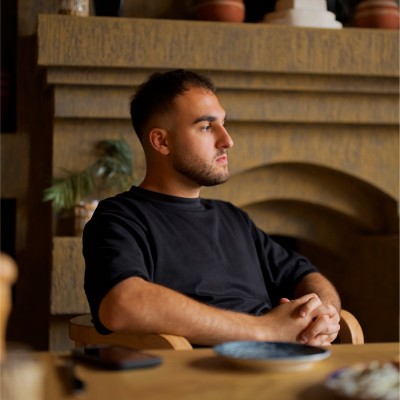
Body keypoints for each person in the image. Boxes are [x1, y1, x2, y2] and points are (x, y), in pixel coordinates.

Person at [83, 69, 341, 347]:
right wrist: (263, 330)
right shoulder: (119, 217)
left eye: (223, 124)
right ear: (162, 141)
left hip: (283, 361)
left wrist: (323, 315)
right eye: (206, 127)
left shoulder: (233, 217)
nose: (227, 140)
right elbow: (122, 303)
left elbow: (305, 274)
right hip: (200, 369)